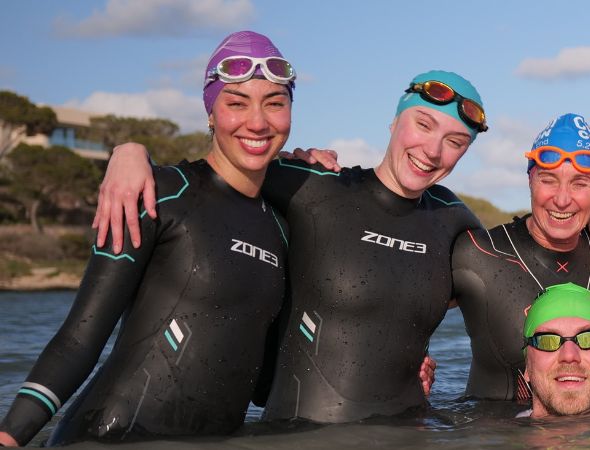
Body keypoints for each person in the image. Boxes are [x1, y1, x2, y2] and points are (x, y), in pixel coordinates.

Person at [90, 70, 488, 423]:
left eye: (454, 141)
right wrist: (130, 152)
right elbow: (207, 181)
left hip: (411, 434)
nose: (433, 151)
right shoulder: (309, 185)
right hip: (298, 435)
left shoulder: (453, 218)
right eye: (422, 124)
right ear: (394, 122)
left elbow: (493, 288)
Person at [0, 30, 292, 446]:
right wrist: (9, 437)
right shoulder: (158, 193)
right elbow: (78, 339)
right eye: (236, 103)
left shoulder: (282, 227)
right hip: (109, 437)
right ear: (211, 113)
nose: (258, 122)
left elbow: (263, 384)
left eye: (275, 103)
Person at [452, 113, 590, 401]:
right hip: (491, 436)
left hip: (589, 436)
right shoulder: (479, 253)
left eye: (579, 183)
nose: (562, 199)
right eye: (549, 180)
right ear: (530, 180)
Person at [519, 283, 590, 418]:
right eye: (547, 341)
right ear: (527, 367)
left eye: (589, 338)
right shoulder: (491, 435)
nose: (569, 355)